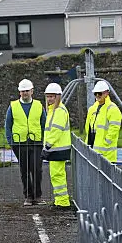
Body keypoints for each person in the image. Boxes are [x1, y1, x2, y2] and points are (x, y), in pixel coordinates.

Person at [5, 78, 46, 206]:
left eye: (27, 91)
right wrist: (11, 142)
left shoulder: (39, 105)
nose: (25, 93)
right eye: (22, 91)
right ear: (19, 92)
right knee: (24, 170)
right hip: (19, 143)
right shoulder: (13, 106)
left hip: (36, 142)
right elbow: (8, 125)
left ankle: (38, 196)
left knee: (37, 169)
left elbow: (44, 123)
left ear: (32, 91)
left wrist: (44, 140)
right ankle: (28, 196)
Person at [41, 83, 72, 211]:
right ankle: (59, 200)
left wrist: (47, 146)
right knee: (56, 175)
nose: (49, 99)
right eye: (48, 96)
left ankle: (63, 203)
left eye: (52, 96)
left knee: (58, 176)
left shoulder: (59, 111)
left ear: (58, 96)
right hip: (56, 148)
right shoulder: (53, 110)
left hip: (57, 148)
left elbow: (55, 131)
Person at [84, 79, 122, 163]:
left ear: (106, 93)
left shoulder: (112, 109)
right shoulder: (92, 109)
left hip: (107, 154)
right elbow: (88, 128)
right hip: (93, 150)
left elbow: (114, 129)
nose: (97, 95)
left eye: (100, 93)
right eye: (95, 93)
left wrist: (106, 142)